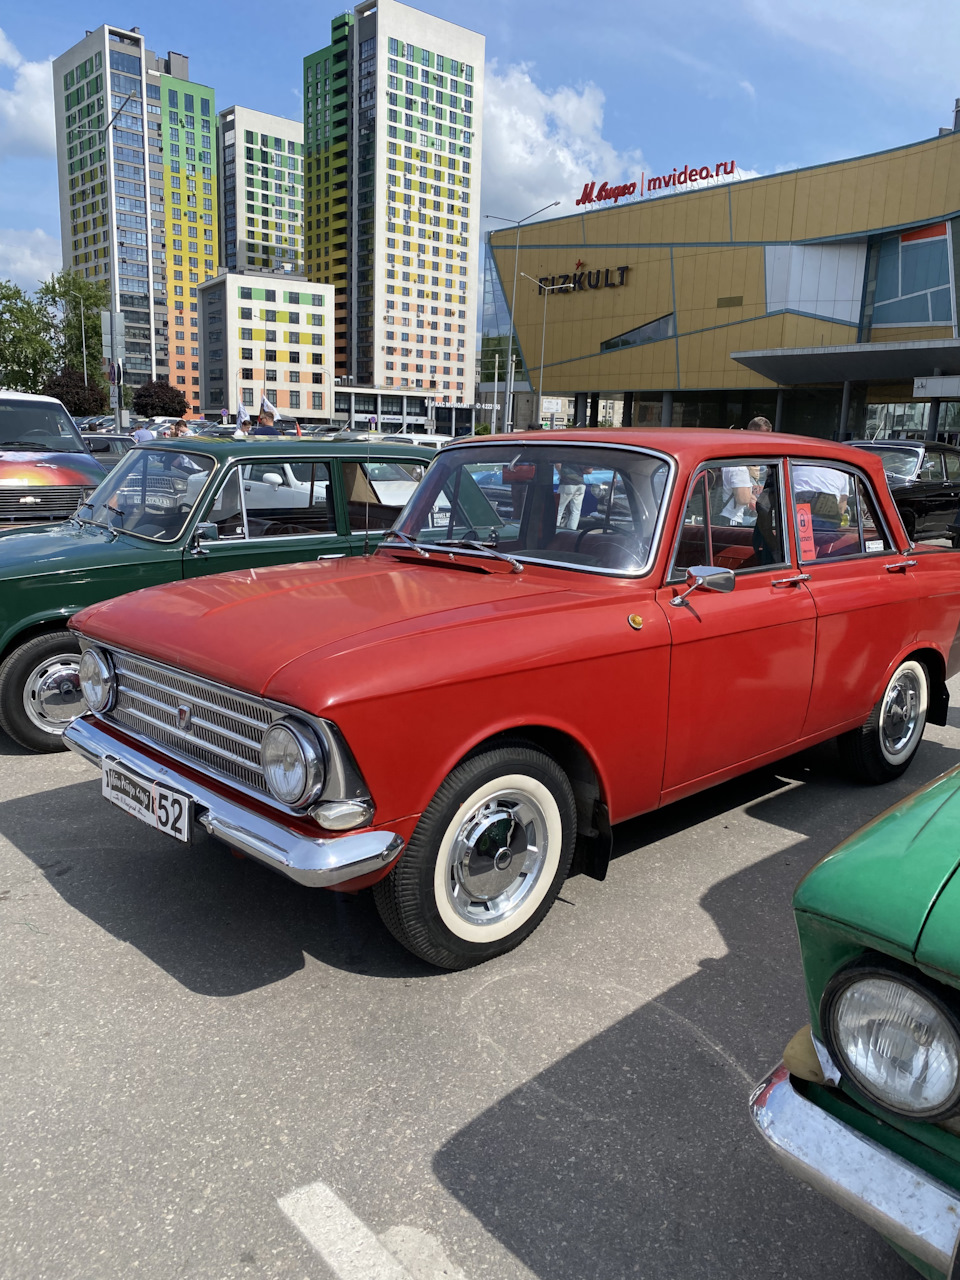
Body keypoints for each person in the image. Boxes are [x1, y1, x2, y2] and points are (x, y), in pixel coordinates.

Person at [556, 459, 593, 529]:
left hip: (567, 483)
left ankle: (555, 529)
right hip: (581, 484)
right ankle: (572, 531)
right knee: (576, 511)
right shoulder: (584, 455)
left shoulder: (565, 453)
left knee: (559, 509)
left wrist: (562, 473)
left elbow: (558, 465)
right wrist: (578, 471)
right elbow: (589, 470)